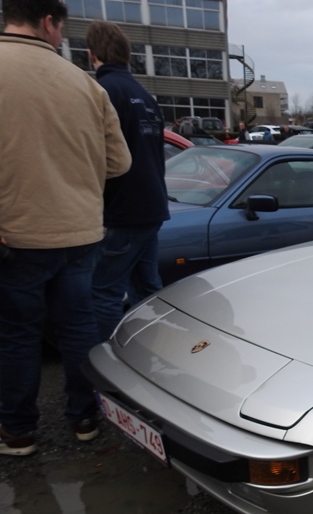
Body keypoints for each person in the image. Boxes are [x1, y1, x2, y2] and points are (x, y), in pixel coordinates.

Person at [0, 0, 131, 457]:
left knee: (18, 334)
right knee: (78, 327)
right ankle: (84, 417)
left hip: (18, 232)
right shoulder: (85, 84)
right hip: (80, 232)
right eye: (61, 30)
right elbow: (119, 162)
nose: (61, 39)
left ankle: (18, 430)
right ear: (47, 22)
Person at [86, 21, 170, 343]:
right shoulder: (145, 96)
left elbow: (96, 156)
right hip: (152, 207)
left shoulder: (102, 92)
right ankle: (155, 349)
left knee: (103, 291)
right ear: (128, 56)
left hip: (121, 211)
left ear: (92, 54)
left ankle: (107, 361)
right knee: (148, 289)